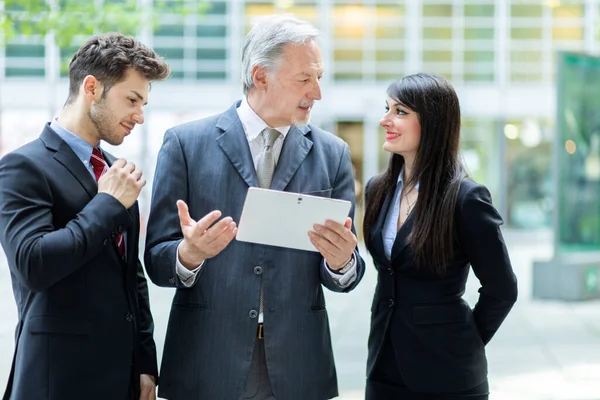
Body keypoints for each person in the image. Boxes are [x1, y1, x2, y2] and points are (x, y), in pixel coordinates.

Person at [144, 14, 366, 400]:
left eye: (319, 77)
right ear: (260, 76)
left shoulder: (333, 154)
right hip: (206, 359)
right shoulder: (185, 144)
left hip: (298, 363)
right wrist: (189, 254)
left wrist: (342, 261)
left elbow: (348, 272)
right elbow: (157, 261)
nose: (317, 93)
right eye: (305, 78)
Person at [0, 33, 170, 400]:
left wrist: (145, 364)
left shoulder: (116, 171)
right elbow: (33, 263)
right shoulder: (22, 167)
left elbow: (131, 276)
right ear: (92, 87)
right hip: (57, 380)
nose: (139, 116)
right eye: (132, 99)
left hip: (122, 380)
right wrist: (107, 203)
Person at [362, 73, 518, 400]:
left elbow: (502, 289)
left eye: (400, 112)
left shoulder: (465, 198)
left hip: (449, 375)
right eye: (387, 108)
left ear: (432, 122)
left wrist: (466, 340)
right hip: (383, 367)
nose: (385, 120)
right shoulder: (378, 189)